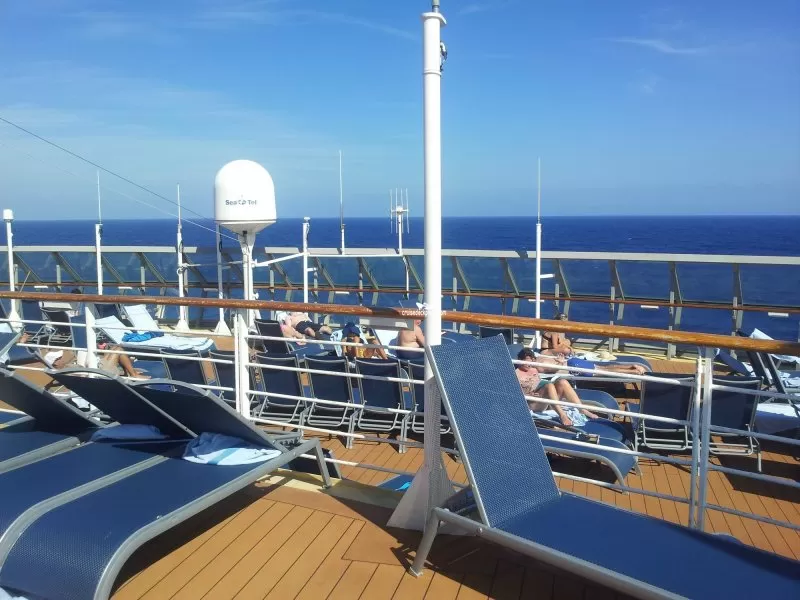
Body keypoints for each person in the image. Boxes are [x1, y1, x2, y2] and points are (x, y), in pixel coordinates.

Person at [515, 348, 598, 427]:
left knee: (562, 382)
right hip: (532, 404)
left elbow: (551, 370)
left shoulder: (534, 369)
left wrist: (560, 363)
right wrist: (527, 395)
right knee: (549, 385)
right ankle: (562, 415)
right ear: (519, 360)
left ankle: (582, 409)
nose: (529, 364)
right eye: (526, 361)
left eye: (531, 361)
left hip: (547, 402)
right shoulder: (515, 374)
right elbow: (512, 394)